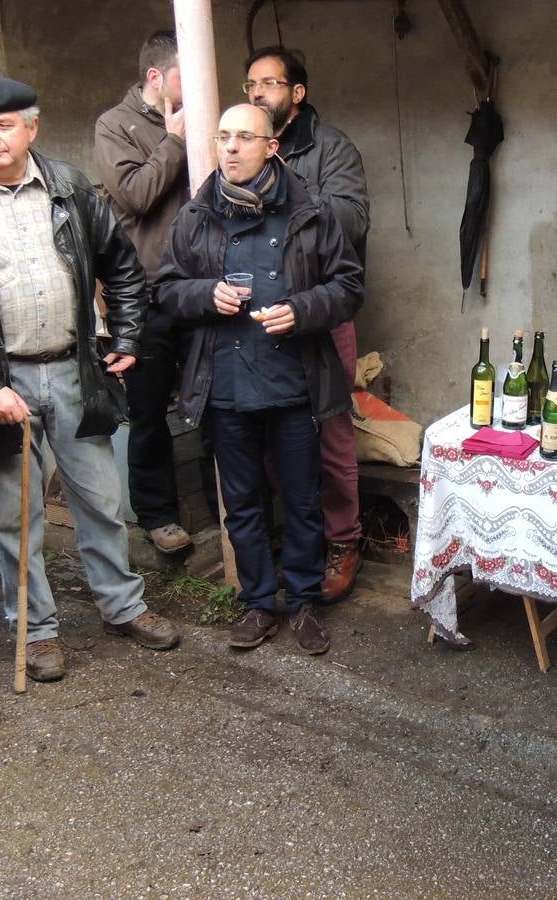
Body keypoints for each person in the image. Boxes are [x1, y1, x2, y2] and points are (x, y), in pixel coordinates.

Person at [0, 76, 181, 683]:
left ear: (31, 128)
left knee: (102, 501)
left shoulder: (68, 187)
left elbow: (123, 266)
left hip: (74, 370)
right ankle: (34, 629)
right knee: (14, 516)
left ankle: (123, 605)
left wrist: (129, 338)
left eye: (3, 125)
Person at [155, 104, 363, 655]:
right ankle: (256, 602)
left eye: (243, 137)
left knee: (301, 499)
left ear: (271, 147)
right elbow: (167, 288)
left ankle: (302, 602)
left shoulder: (311, 212)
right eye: (223, 136)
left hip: (292, 381)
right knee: (242, 503)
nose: (229, 147)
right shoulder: (198, 215)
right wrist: (206, 295)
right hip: (225, 385)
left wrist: (303, 309)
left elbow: (348, 286)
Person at [245, 46, 369, 601]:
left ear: (296, 93)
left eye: (270, 84)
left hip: (318, 313)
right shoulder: (240, 148)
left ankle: (345, 538)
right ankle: (301, 538)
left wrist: (286, 187)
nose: (257, 93)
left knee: (332, 433)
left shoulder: (329, 148)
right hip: (260, 319)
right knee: (270, 434)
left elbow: (352, 220)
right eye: (251, 85)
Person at [94, 30, 193, 555]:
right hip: (148, 290)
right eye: (184, 75)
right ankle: (158, 515)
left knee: (217, 402)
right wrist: (175, 140)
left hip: (201, 288)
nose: (195, 86)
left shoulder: (203, 116)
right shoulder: (116, 125)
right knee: (149, 409)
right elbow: (133, 195)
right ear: (156, 77)